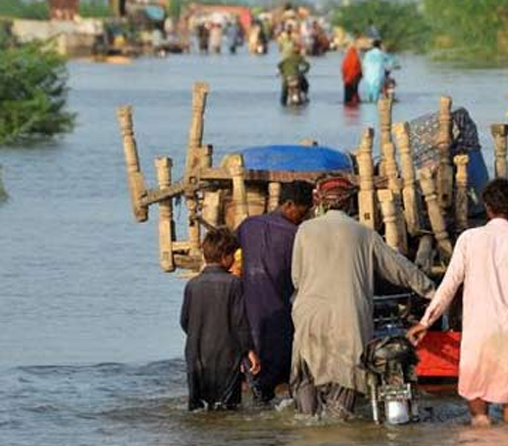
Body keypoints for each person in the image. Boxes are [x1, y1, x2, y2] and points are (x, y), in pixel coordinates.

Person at [290, 177, 436, 419]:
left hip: (309, 316)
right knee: (345, 387)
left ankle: (307, 423)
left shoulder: (304, 231)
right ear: (349, 204)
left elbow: (297, 278)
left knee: (307, 378)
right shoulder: (364, 233)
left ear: (321, 203)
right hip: (349, 319)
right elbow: (400, 268)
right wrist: (432, 291)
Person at [408, 179, 508, 425]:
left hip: (480, 332)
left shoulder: (470, 239)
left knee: (478, 410)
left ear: (487, 206)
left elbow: (449, 285)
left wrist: (426, 322)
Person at [237, 182, 314, 403]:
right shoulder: (297, 236)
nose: (304, 216)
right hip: (282, 318)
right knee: (286, 379)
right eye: (303, 210)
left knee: (258, 382)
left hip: (250, 318)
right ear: (289, 205)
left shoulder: (248, 226)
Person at [180, 228, 261, 411]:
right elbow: (240, 323)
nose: (233, 260)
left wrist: (200, 335)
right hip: (226, 357)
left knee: (198, 409)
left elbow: (184, 321)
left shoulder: (192, 285)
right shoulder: (234, 284)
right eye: (233, 255)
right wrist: (249, 351)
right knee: (228, 408)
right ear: (225, 256)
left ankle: (201, 440)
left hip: (196, 357)